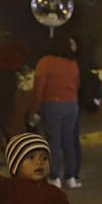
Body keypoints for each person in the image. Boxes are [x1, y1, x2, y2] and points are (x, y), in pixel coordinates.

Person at [29, 35, 83, 188]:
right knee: (69, 141)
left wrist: (33, 109)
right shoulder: (72, 63)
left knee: (54, 141)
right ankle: (71, 177)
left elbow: (39, 88)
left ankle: (54, 177)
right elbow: (77, 84)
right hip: (72, 104)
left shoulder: (45, 62)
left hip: (52, 104)